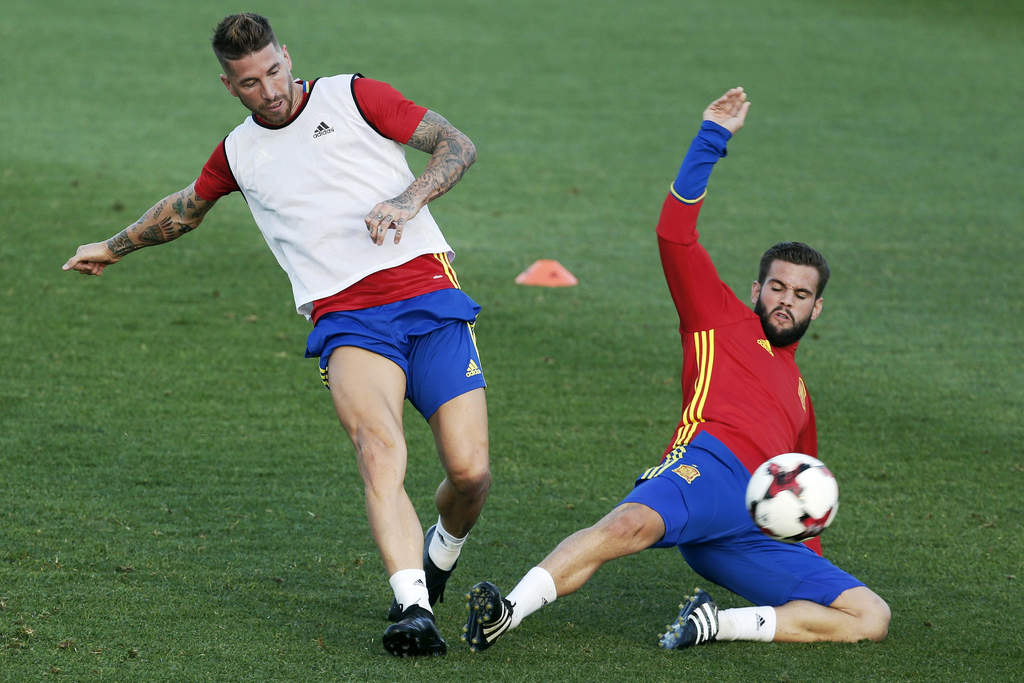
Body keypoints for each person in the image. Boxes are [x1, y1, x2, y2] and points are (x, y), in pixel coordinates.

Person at [63, 12, 489, 657]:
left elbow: (456, 145)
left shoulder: (355, 96)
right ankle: (412, 607)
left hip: (428, 298)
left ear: (286, 56)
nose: (269, 91)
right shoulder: (238, 152)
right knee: (379, 450)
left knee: (470, 472)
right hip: (346, 319)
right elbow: (186, 207)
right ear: (228, 86)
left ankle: (441, 552)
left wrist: (408, 200)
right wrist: (113, 246)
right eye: (250, 83)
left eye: (273, 71)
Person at [462, 87, 890, 653]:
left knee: (870, 615)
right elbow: (674, 233)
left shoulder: (801, 395)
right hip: (705, 469)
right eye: (778, 287)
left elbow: (804, 490)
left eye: (801, 294)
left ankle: (716, 624)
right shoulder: (717, 316)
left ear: (817, 308)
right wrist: (712, 137)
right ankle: (508, 612)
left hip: (752, 531)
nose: (787, 300)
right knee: (624, 527)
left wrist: (803, 557)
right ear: (756, 290)